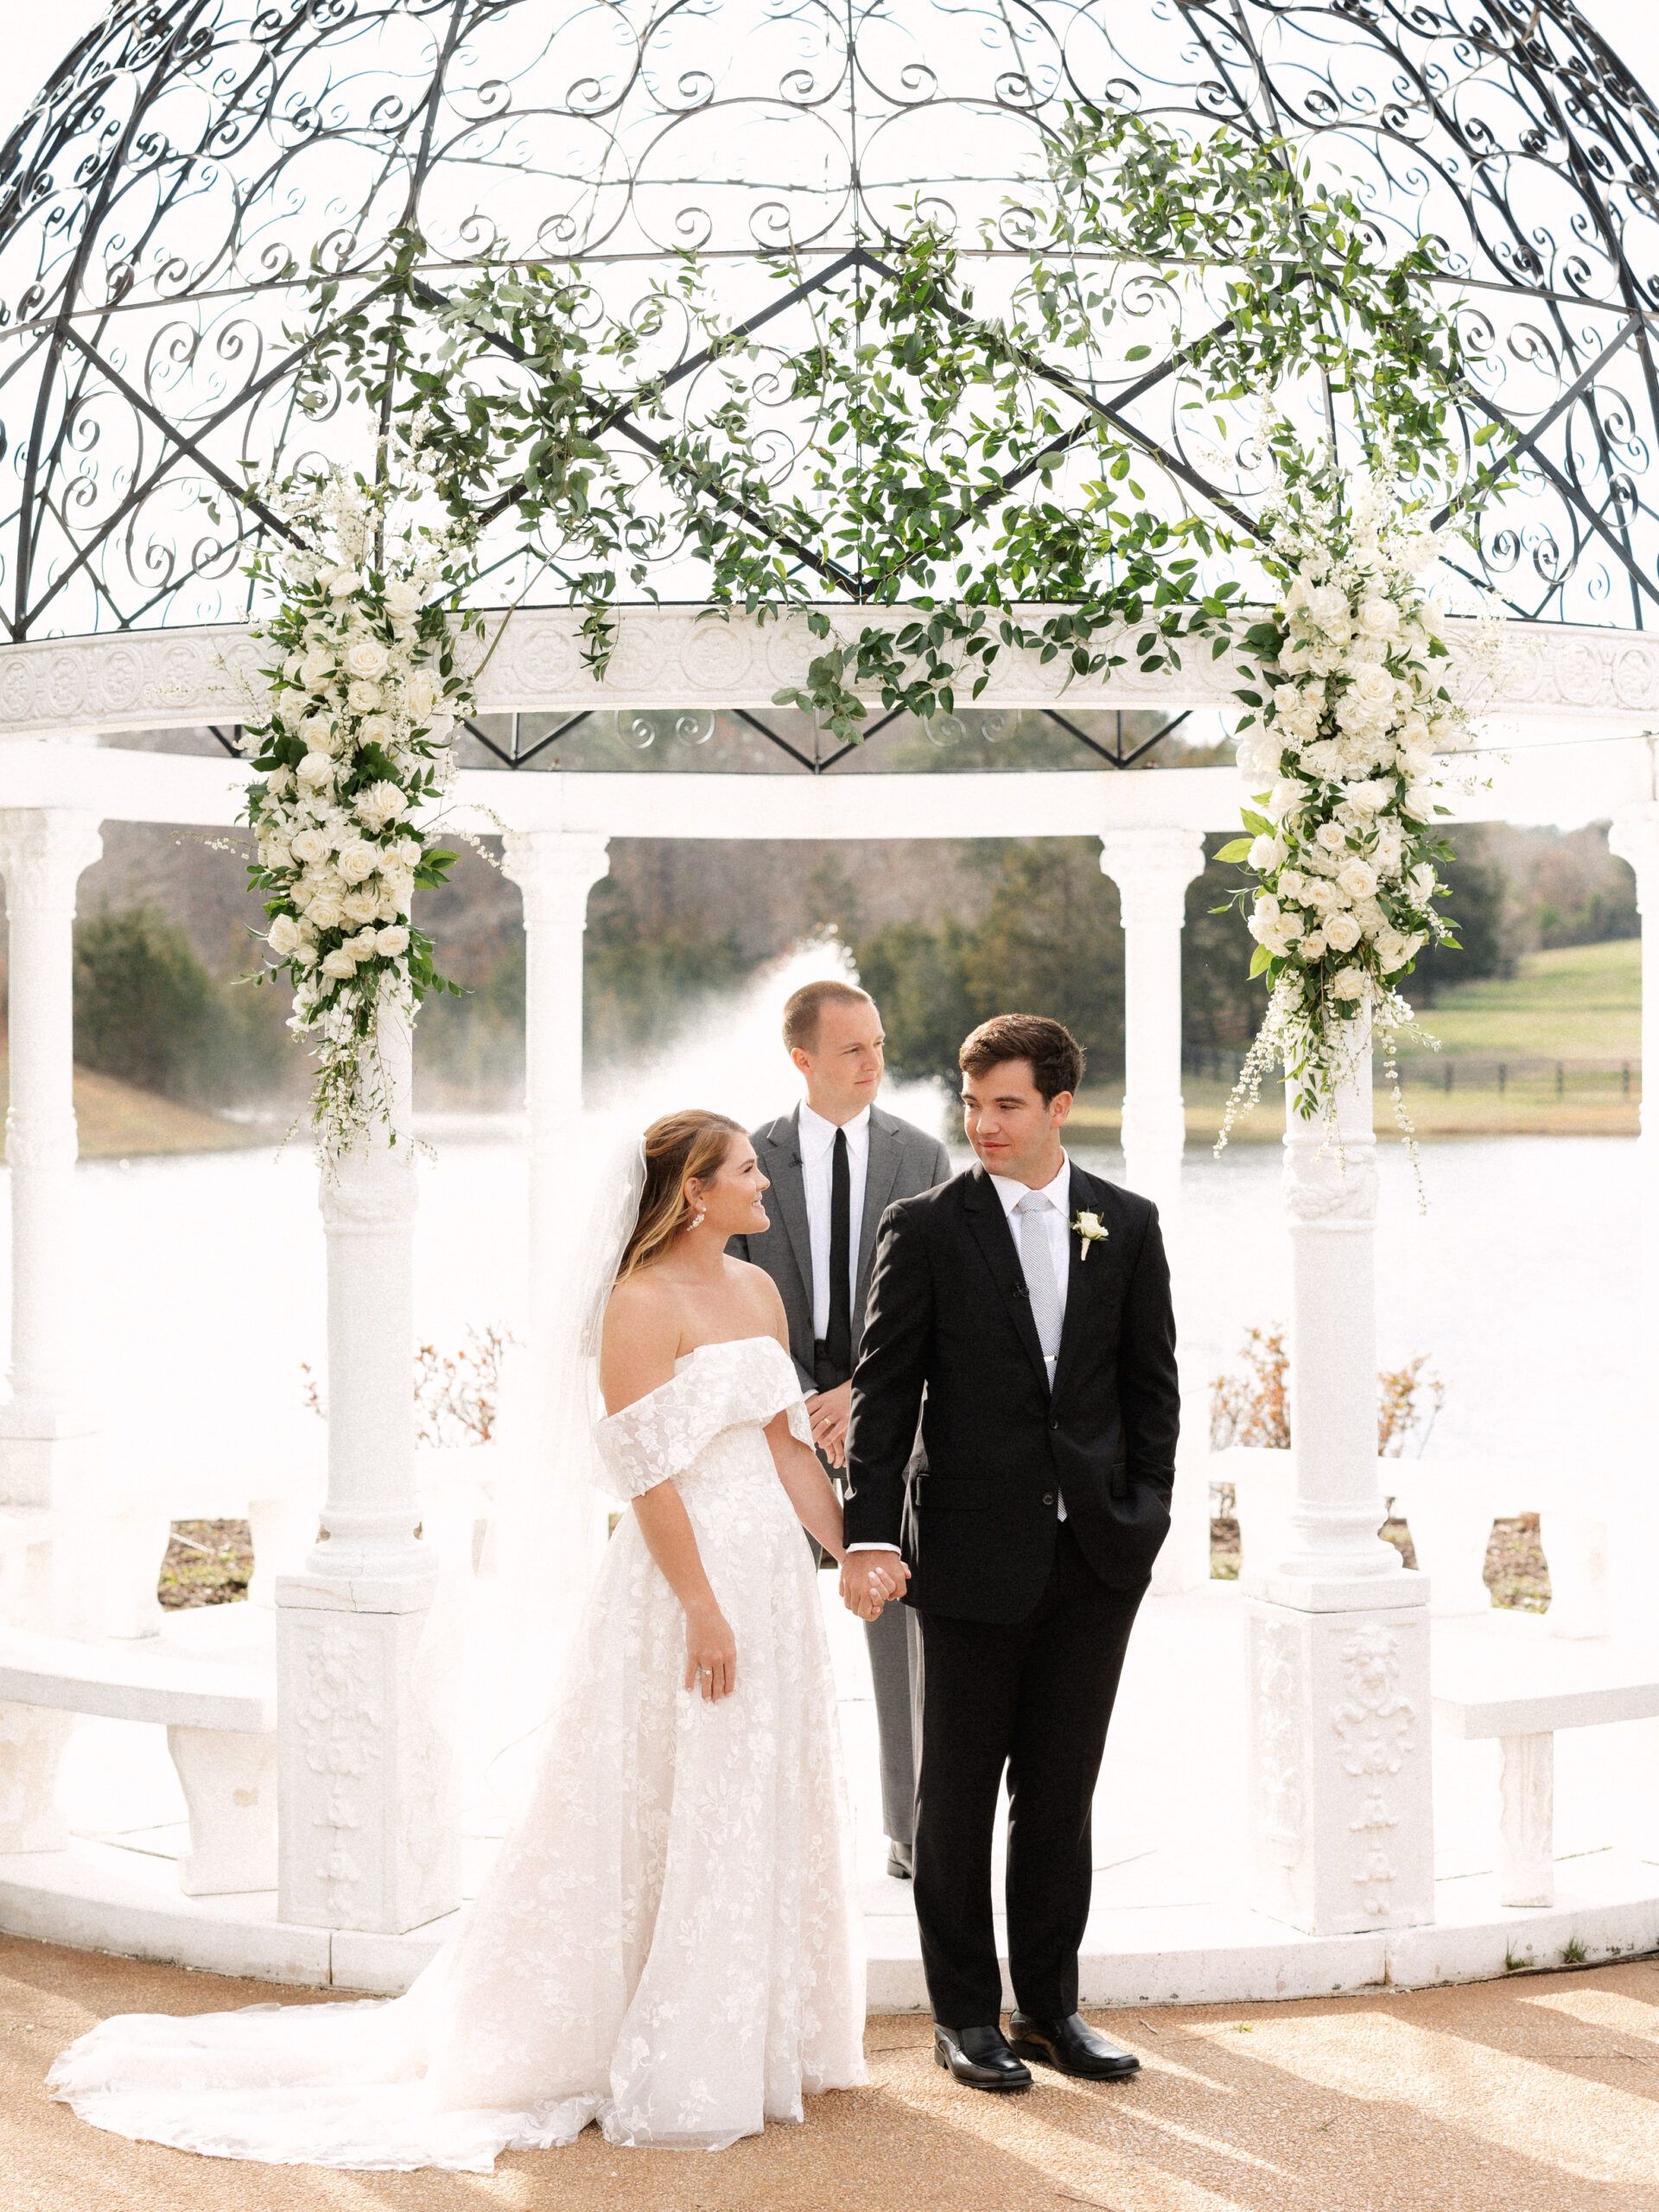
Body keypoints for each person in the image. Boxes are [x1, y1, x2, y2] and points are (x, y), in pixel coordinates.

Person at [48, 1110, 886, 2168]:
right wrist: (704, 1607)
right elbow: (648, 1478)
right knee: (674, 1789)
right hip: (687, 1582)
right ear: (691, 1192)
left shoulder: (760, 1290)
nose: (768, 1185)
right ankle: (662, 2044)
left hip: (770, 1575)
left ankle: (765, 2031)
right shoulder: (638, 1303)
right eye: (749, 1173)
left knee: (758, 1783)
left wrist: (853, 1548)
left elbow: (787, 1447)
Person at [840, 1014, 1179, 2095]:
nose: (983, 1124)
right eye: (974, 1103)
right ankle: (964, 2017)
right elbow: (885, 1396)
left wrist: (1142, 1516)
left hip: (1095, 1563)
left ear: (1060, 1106)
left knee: (1061, 1791)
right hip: (971, 1559)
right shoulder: (926, 1227)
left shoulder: (1125, 1223)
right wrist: (870, 1532)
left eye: (1008, 1105)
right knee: (955, 1797)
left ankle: (1050, 2006)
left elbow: (1150, 1391)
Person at [734, 977, 950, 1880]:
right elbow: (722, 1300)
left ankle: (911, 1826)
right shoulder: (743, 1157)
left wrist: (865, 1393)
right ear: (803, 1058)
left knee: (903, 1629)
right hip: (767, 1430)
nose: (874, 1062)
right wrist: (799, 1404)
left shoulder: (923, 1155)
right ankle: (754, 1825)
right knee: (757, 1622)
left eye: (879, 1043)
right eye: (853, 1048)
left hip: (894, 1430)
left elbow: (949, 1303)